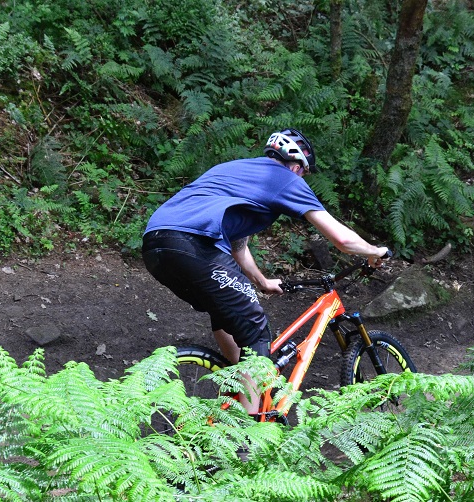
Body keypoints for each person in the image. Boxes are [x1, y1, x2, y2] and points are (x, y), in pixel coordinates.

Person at [142, 129, 389, 414]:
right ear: (296, 166)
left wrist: (261, 280)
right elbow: (342, 240)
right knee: (257, 331)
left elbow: (237, 245)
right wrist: (374, 251)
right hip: (194, 245)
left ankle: (241, 388)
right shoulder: (285, 178)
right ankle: (249, 429)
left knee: (225, 314)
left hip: (156, 246)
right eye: (303, 173)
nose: (302, 179)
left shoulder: (236, 169)